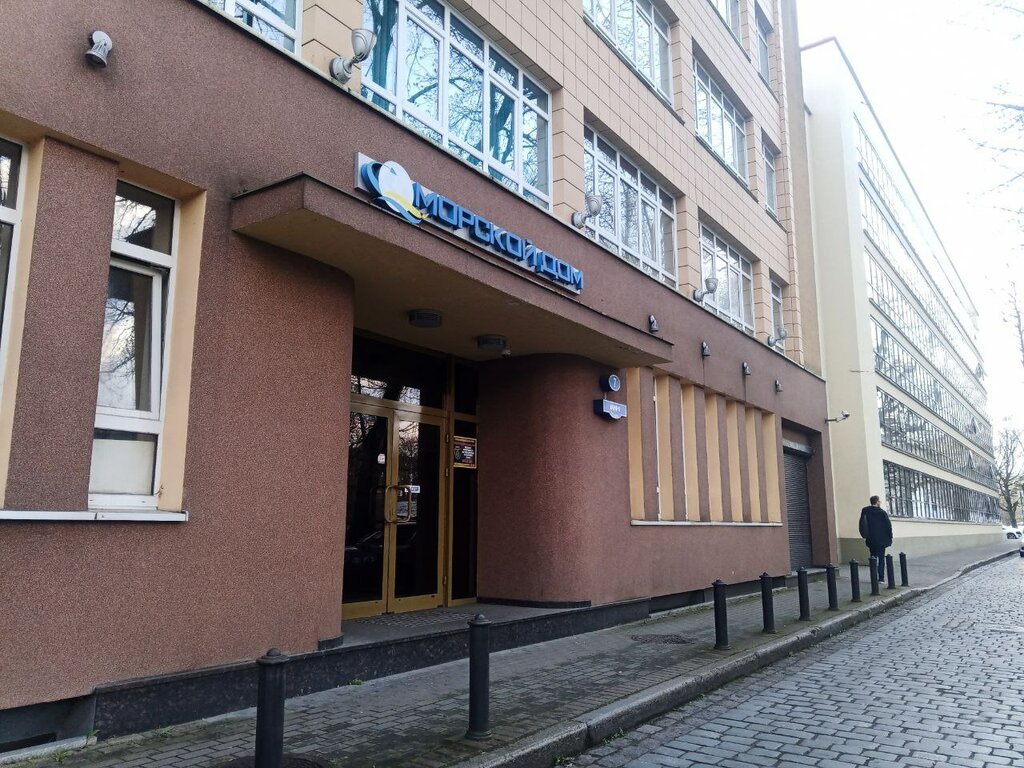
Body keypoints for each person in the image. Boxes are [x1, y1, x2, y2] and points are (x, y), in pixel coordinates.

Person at [859, 495, 893, 581]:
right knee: (881, 558)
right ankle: (881, 578)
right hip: (882, 539)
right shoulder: (882, 513)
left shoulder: (865, 511)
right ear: (877, 502)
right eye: (879, 501)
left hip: (871, 539)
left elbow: (862, 524)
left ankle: (873, 577)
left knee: (873, 558)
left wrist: (864, 535)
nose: (880, 502)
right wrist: (890, 536)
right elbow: (888, 526)